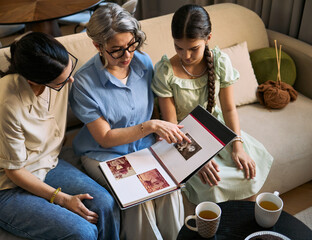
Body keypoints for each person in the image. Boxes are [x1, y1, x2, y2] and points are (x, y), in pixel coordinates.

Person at [0, 32, 120, 240]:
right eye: (60, 82)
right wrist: (62, 199)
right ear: (33, 80)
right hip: (7, 189)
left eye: (70, 69)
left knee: (104, 202)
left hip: (47, 165)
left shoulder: (56, 73)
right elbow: (14, 171)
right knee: (83, 232)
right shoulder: (7, 103)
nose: (70, 80)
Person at [69, 3, 190, 240]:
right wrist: (152, 126)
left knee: (169, 190)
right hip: (103, 153)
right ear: (98, 46)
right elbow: (104, 138)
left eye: (131, 45)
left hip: (143, 147)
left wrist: (161, 130)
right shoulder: (84, 83)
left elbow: (156, 102)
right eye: (116, 50)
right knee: (139, 197)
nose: (127, 56)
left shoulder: (143, 62)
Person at [151, 4, 274, 205]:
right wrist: (197, 160)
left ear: (208, 38)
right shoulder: (165, 72)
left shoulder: (220, 62)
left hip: (217, 129)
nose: (186, 56)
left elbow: (228, 109)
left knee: (247, 171)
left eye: (193, 48)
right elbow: (171, 126)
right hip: (183, 137)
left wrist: (237, 145)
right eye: (179, 47)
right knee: (213, 181)